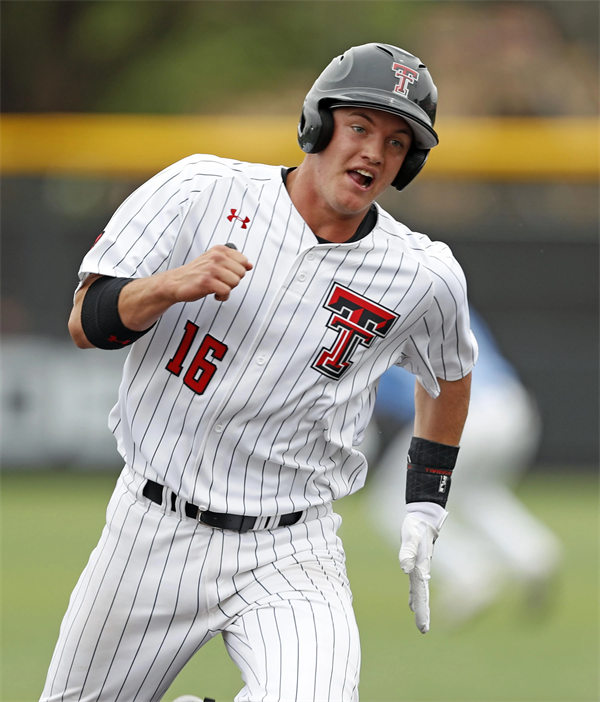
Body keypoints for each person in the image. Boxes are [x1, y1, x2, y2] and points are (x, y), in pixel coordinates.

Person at [41, 42, 477, 702]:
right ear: (317, 125)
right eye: (359, 127)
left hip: (292, 543)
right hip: (153, 527)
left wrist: (425, 499)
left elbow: (449, 373)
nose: (373, 153)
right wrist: (168, 285)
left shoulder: (421, 273)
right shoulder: (202, 190)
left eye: (395, 142)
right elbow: (88, 323)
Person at [366, 310, 561, 625]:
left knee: (396, 504)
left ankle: (469, 572)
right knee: (475, 491)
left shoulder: (378, 316)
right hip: (510, 403)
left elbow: (372, 395)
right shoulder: (448, 296)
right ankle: (531, 552)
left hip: (459, 413)